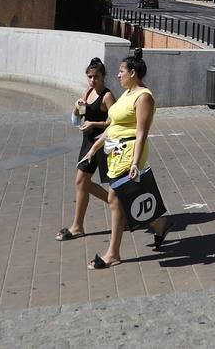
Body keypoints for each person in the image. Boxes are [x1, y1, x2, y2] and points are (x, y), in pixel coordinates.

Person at [81, 48, 169, 269]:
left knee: (116, 198)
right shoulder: (127, 93)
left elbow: (141, 132)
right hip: (115, 151)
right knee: (129, 197)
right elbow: (115, 125)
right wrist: (94, 148)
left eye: (121, 71)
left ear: (132, 73)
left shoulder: (143, 97)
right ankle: (159, 224)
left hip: (129, 152)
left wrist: (135, 163)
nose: (118, 75)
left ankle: (113, 254)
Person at [57, 58, 114, 241]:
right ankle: (79, 225)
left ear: (103, 77)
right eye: (89, 76)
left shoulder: (107, 96)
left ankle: (80, 225)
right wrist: (75, 109)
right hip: (88, 142)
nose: (92, 80)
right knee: (82, 182)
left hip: (102, 143)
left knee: (87, 182)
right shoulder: (87, 92)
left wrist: (94, 123)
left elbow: (115, 122)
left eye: (96, 76)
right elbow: (77, 121)